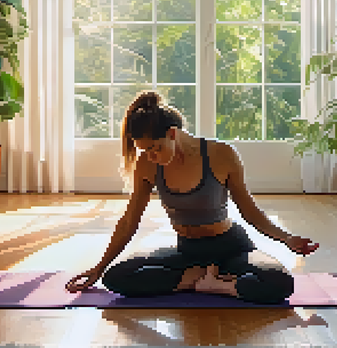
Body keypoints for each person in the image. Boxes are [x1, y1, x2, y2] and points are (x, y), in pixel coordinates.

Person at [65, 91, 319, 304]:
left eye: (155, 148)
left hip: (230, 248)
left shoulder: (221, 155)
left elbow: (250, 212)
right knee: (115, 277)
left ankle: (216, 284)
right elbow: (129, 221)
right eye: (145, 150)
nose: (150, 156)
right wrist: (97, 270)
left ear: (173, 134)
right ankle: (197, 279)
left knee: (280, 283)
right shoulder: (147, 165)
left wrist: (287, 238)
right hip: (187, 252)